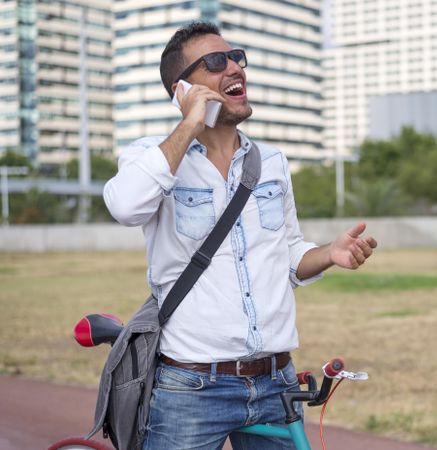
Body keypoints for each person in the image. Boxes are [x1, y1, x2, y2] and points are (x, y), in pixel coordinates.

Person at [103, 21, 377, 450]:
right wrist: (191, 123)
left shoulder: (271, 162)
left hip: (276, 383)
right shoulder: (149, 157)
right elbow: (125, 206)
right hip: (191, 388)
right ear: (181, 88)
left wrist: (329, 253)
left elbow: (287, 253)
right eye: (215, 62)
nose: (234, 67)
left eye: (237, 57)